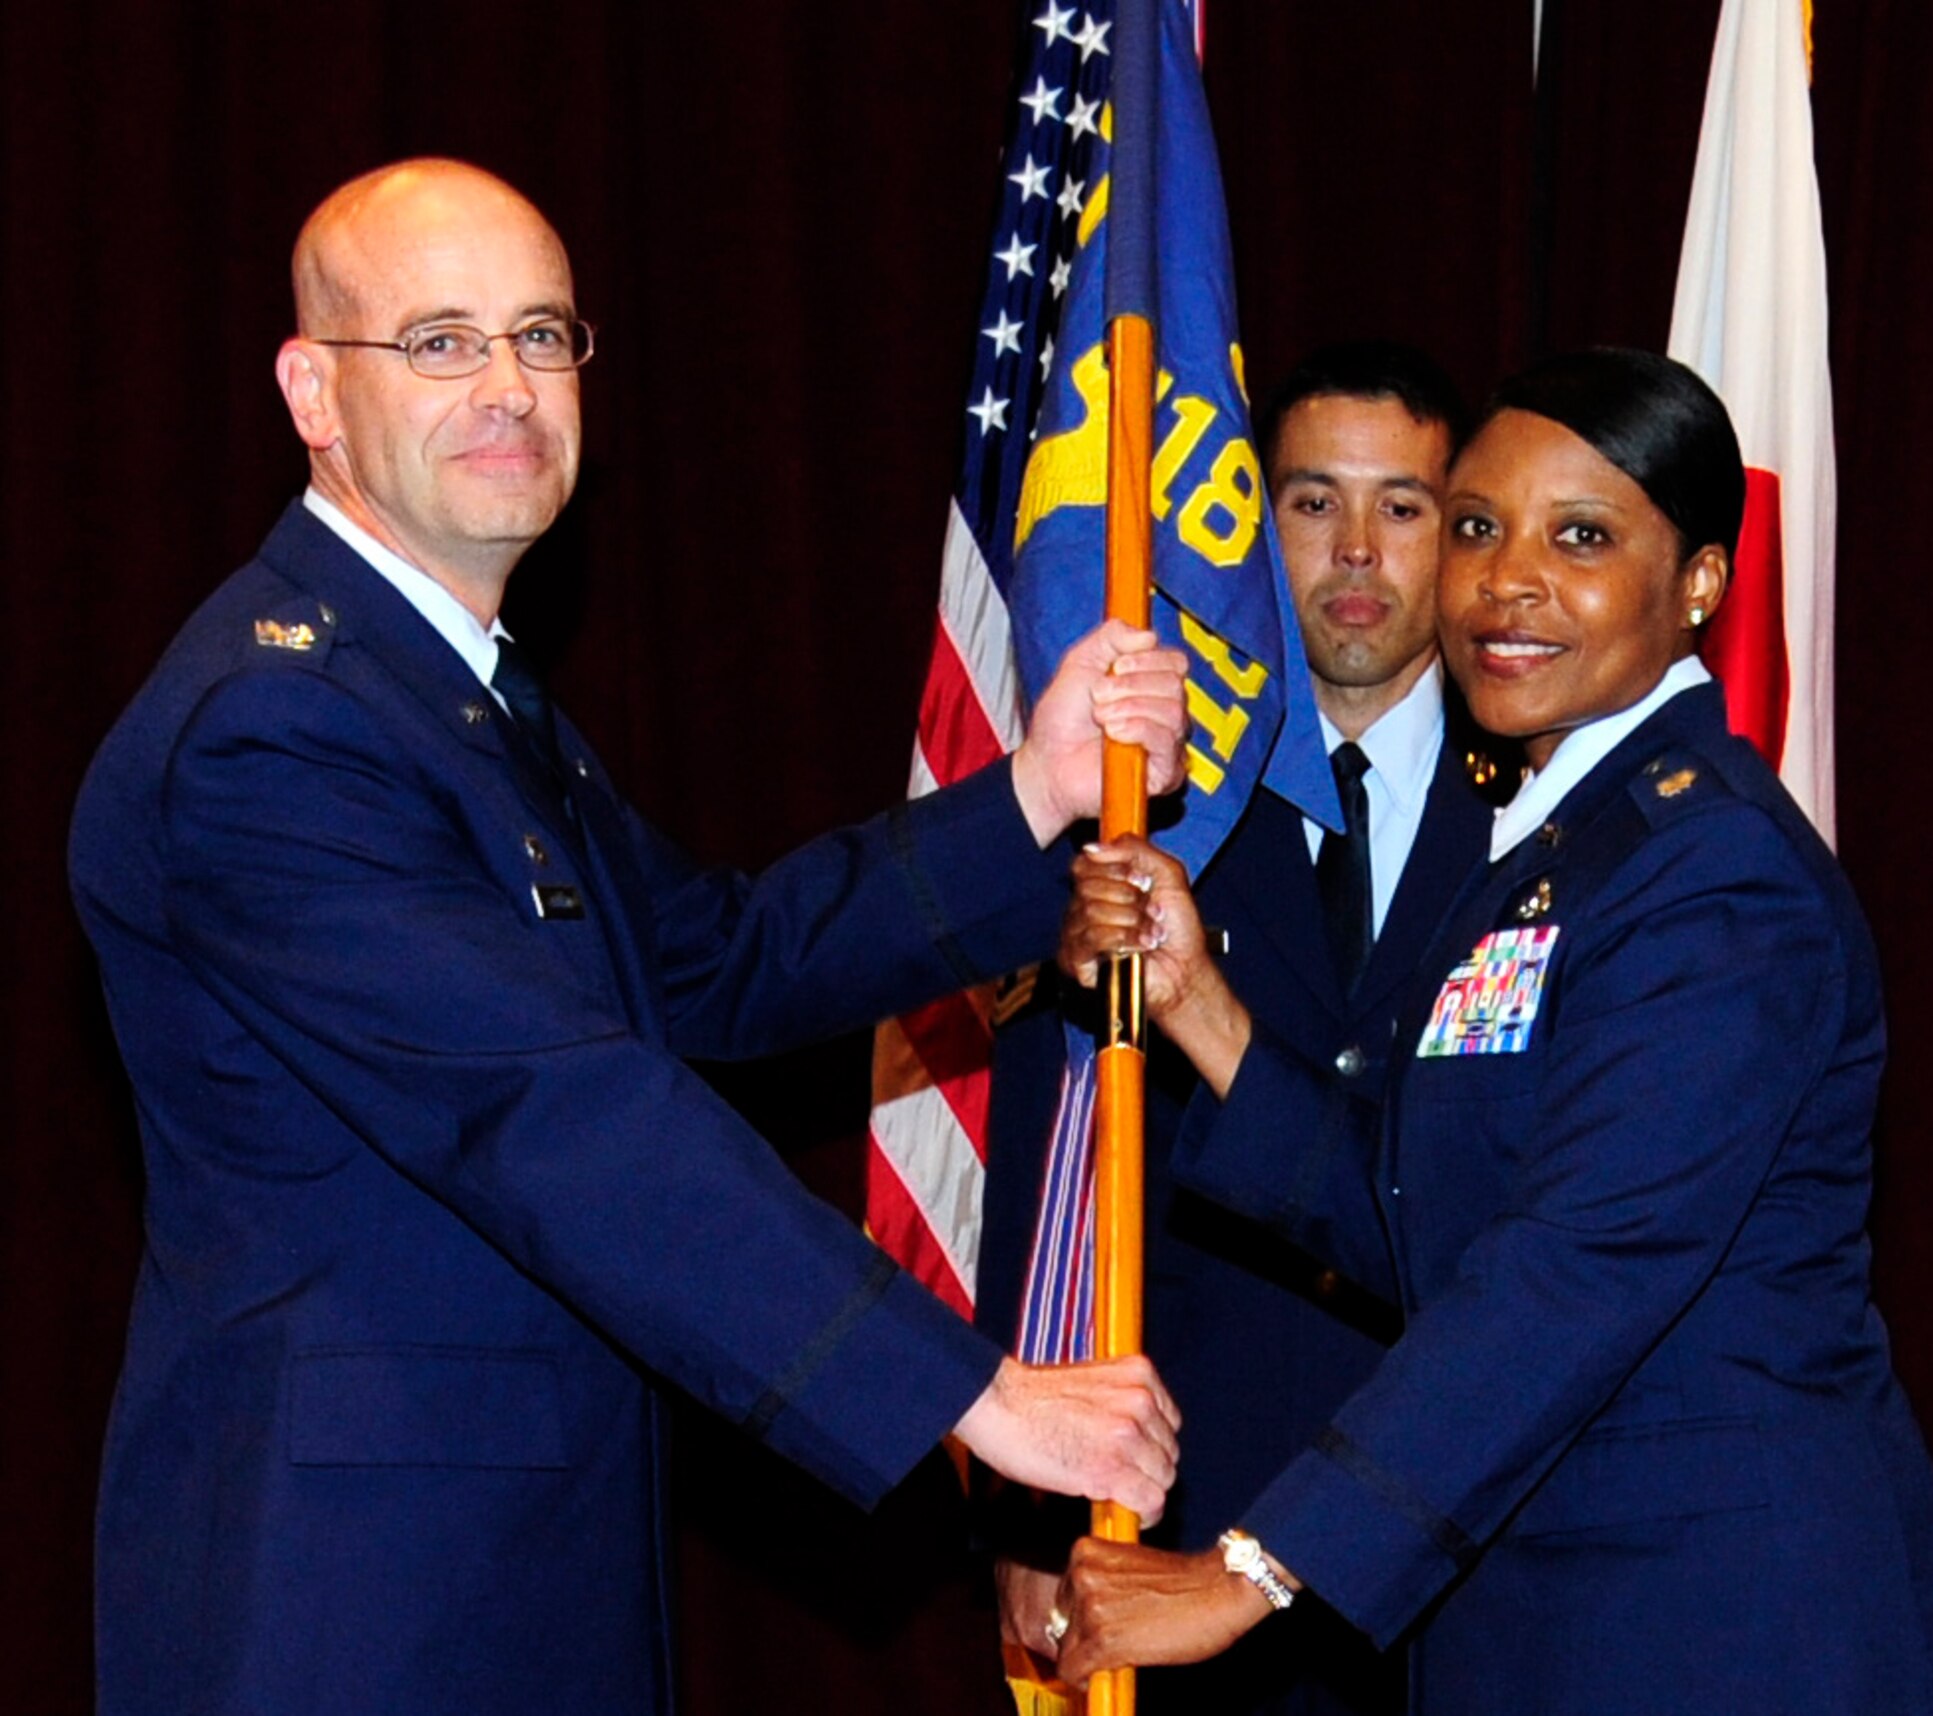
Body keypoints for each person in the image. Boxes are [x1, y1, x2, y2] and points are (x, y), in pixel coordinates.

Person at [68, 158, 1193, 1716]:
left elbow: (711, 960)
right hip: (352, 1606)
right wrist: (972, 1393)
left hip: (508, 1569)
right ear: (314, 393)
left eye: (543, 335)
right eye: (441, 342)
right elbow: (549, 1104)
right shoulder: (275, 729)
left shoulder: (448, 692)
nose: (509, 387)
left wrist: (1034, 794)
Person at [1042, 350, 1933, 1712]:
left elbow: (1576, 1266)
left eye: (1580, 537)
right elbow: (1430, 1218)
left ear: (1699, 583)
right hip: (1551, 1619)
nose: (1508, 581)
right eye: (1479, 528)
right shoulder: (1557, 848)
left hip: (1725, 1629)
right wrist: (1195, 1003)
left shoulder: (1717, 871)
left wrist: (1250, 1570)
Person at [981, 342, 1502, 1714]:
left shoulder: (1535, 809)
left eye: (1404, 507)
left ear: (1461, 534)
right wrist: (1034, 1510)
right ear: (1253, 528)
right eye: (1313, 501)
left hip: (1474, 1511)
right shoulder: (1151, 795)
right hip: (1197, 1497)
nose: (1357, 551)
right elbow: (1058, 1150)